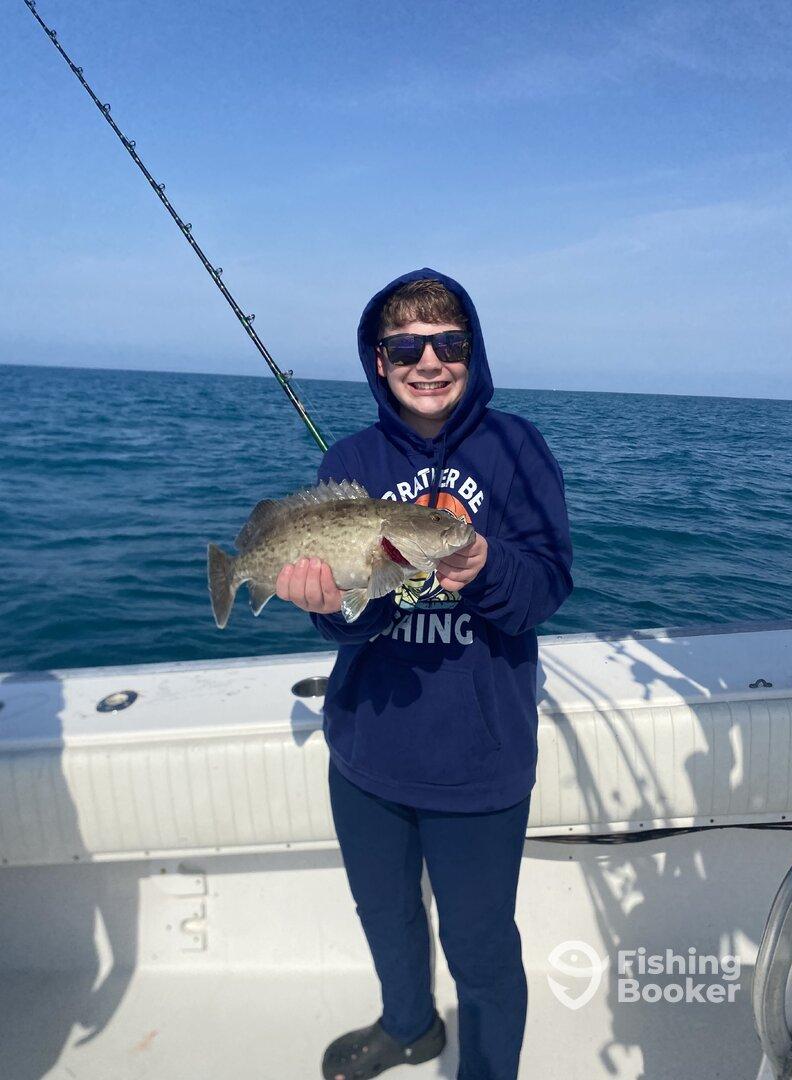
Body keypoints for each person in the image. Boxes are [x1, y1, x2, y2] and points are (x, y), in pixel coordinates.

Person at [275, 269, 573, 1080]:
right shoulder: (353, 457)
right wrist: (330, 604)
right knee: (385, 912)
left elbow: (545, 587)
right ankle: (408, 1027)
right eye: (406, 344)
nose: (430, 360)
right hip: (368, 749)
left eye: (450, 342)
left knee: (480, 947)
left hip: (480, 758)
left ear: (473, 350)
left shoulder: (518, 448)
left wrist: (481, 562)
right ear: (379, 360)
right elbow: (346, 621)